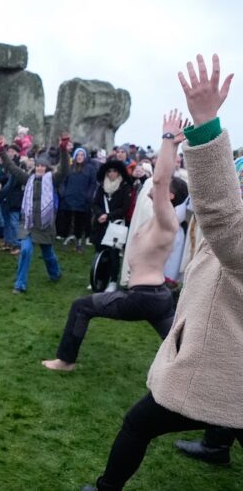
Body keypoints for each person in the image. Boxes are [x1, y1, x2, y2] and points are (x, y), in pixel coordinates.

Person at [83, 54, 243, 491]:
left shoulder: (175, 215)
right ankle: (216, 444)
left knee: (138, 423)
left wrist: (206, 126)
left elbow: (224, 217)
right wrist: (177, 139)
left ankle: (105, 488)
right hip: (224, 355)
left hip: (221, 360)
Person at [42, 110, 189, 372]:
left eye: (162, 190)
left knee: (81, 307)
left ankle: (65, 361)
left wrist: (168, 139)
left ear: (171, 197)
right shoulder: (157, 218)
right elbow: (160, 181)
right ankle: (201, 377)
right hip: (158, 297)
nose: (153, 189)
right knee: (180, 347)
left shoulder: (167, 219)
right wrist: (175, 147)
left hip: (143, 297)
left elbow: (160, 178)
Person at [1, 139, 69, 294]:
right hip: (28, 223)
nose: (39, 168)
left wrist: (63, 149)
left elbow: (65, 170)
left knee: (48, 254)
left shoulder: (52, 180)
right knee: (25, 251)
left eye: (42, 166)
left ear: (47, 168)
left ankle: (55, 274)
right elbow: (12, 167)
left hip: (45, 224)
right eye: (38, 165)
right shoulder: (28, 179)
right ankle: (20, 284)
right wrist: (1, 151)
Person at [90, 158, 133, 292]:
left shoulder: (125, 187)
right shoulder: (101, 186)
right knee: (100, 253)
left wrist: (108, 216)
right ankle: (99, 278)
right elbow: (95, 203)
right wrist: (99, 214)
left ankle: (113, 281)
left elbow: (124, 207)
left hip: (116, 225)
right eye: (109, 171)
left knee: (114, 254)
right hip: (101, 225)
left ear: (119, 173)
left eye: (115, 171)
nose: (112, 174)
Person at [56, 146, 98, 252]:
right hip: (68, 198)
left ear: (85, 156)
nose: (79, 157)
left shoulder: (90, 169)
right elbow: (63, 181)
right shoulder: (69, 168)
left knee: (80, 220)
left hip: (82, 199)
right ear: (74, 156)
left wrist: (88, 196)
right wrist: (63, 193)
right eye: (78, 155)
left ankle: (78, 239)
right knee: (67, 219)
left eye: (82, 155)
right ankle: (66, 238)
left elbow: (92, 184)